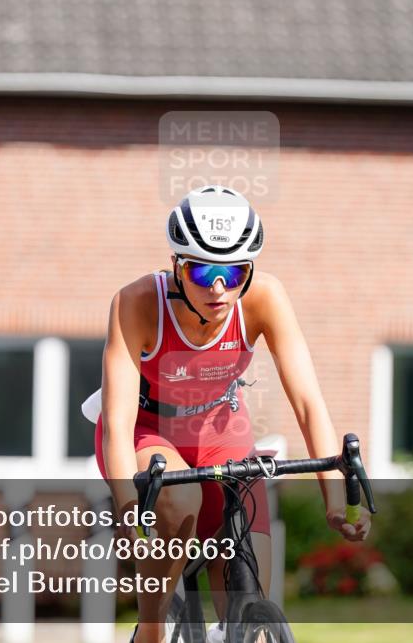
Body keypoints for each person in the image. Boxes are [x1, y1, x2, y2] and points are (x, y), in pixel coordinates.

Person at [90, 185, 370, 643]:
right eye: (202, 271)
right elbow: (118, 425)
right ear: (177, 265)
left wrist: (336, 499)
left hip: (219, 426)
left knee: (250, 599)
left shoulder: (266, 298)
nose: (219, 289)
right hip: (146, 427)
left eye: (234, 272)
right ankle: (152, 630)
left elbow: (307, 402)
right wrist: (127, 512)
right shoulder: (136, 303)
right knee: (181, 499)